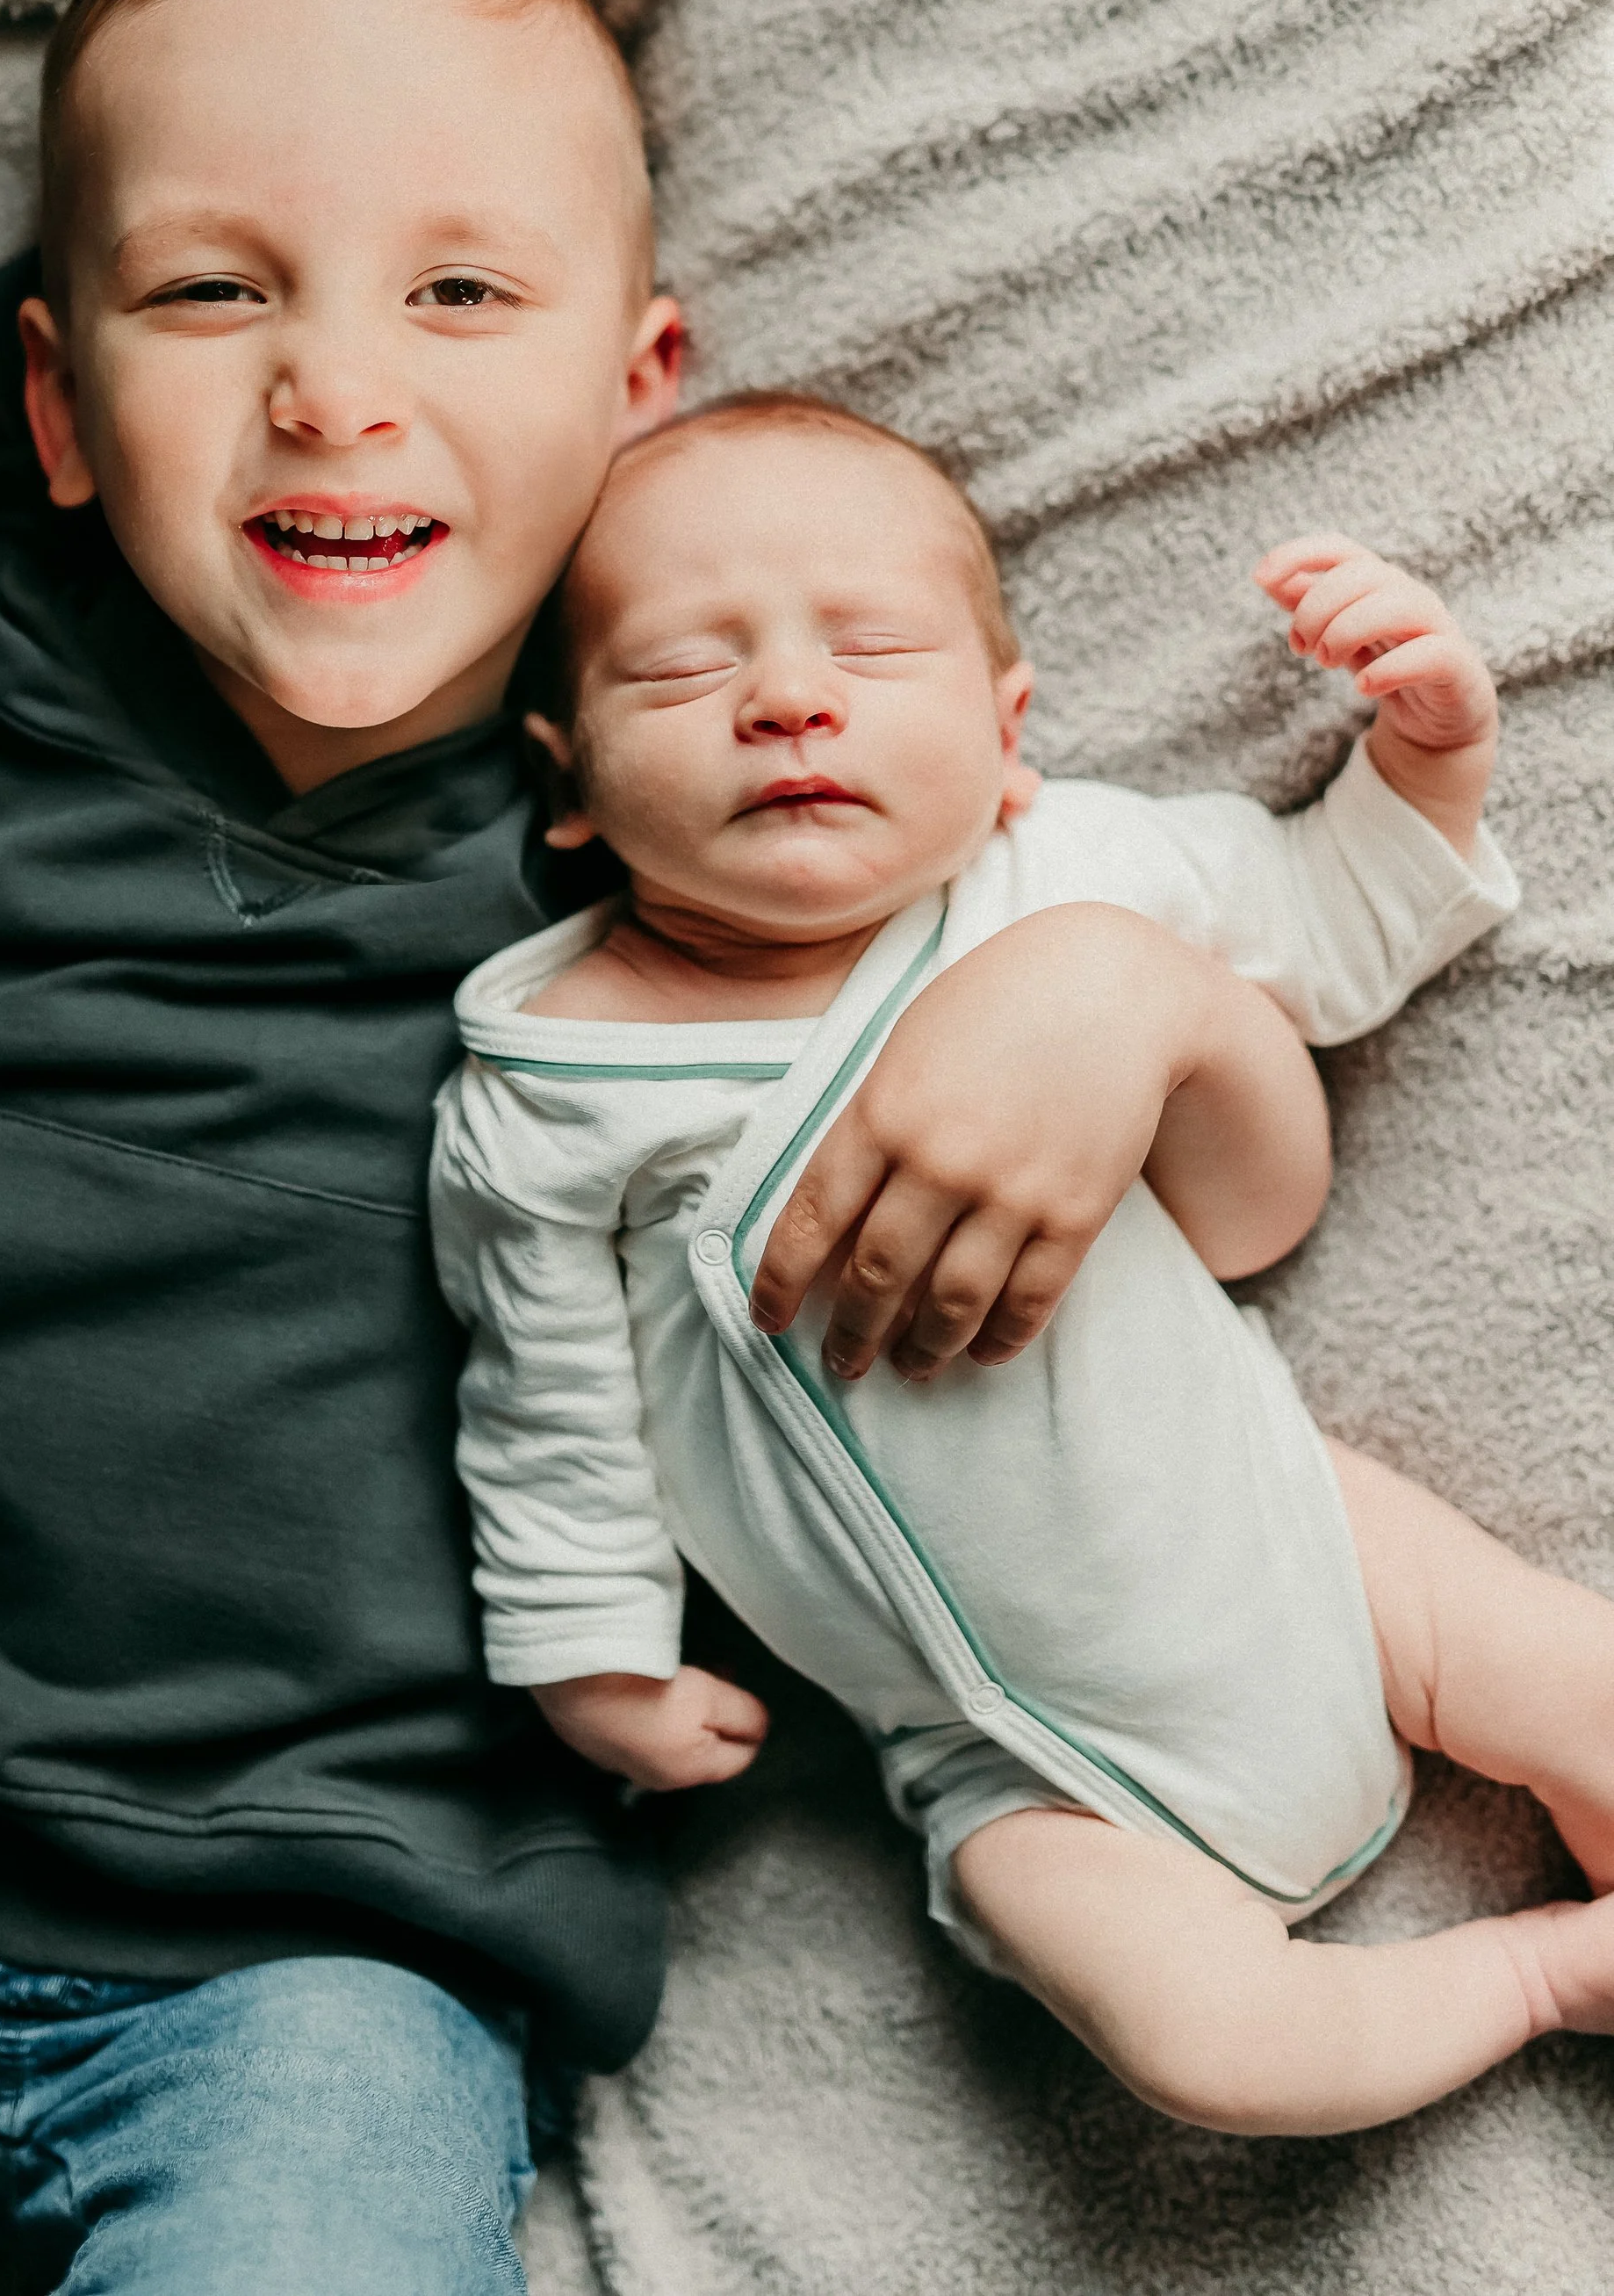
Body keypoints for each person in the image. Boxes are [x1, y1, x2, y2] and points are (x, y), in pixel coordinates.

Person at [0, 0, 1317, 2286]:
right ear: (57, 402)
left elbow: (1227, 1198)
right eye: (213, 288)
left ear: (637, 394)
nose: (335, 383)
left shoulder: (729, 814)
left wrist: (1119, 993)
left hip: (352, 1951)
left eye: (456, 290)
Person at [431, 388, 1614, 2140]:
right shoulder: (546, 1090)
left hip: (1290, 1525)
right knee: (1217, 2052)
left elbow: (1326, 926)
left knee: (1575, 1683)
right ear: (571, 787)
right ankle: (1542, 1979)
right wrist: (580, 1645)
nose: (785, 698)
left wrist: (1426, 754)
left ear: (1003, 738)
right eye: (683, 675)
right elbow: (544, 1399)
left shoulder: (1061, 872)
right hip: (1002, 1762)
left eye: (869, 648)